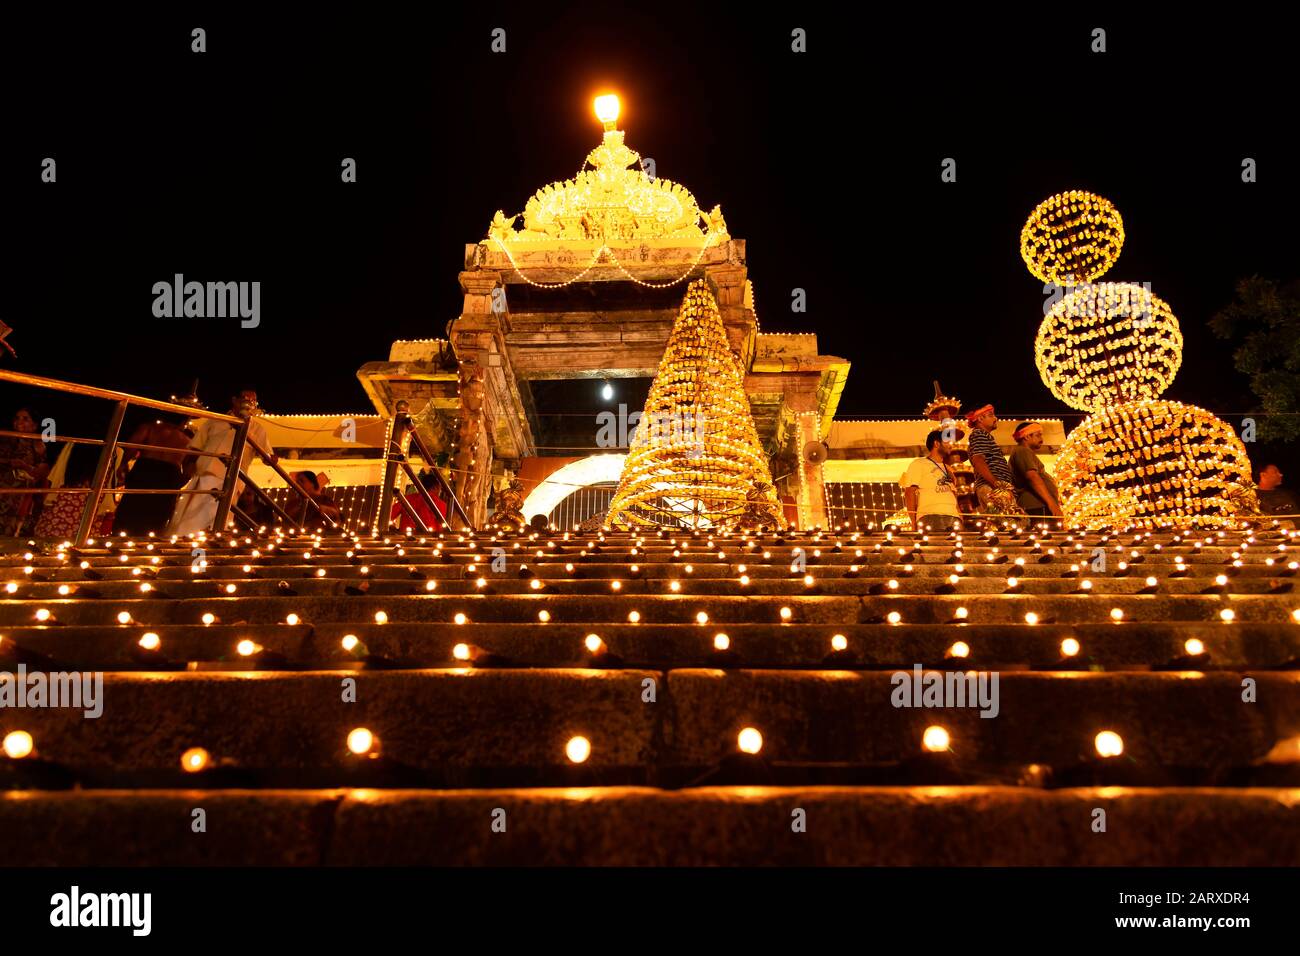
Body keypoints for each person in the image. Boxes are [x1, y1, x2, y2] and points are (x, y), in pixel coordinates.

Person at [167, 388, 276, 535]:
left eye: (252, 401)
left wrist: (271, 459)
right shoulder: (215, 420)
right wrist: (186, 471)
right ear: (234, 400)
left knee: (218, 520)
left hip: (231, 481)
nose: (248, 403)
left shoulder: (257, 429)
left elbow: (267, 457)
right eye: (244, 398)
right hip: (203, 476)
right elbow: (196, 449)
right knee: (189, 519)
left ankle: (207, 551)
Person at [113, 411, 193, 535]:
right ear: (184, 421)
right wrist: (180, 482)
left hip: (146, 468)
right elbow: (189, 468)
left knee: (131, 506)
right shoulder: (187, 440)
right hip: (170, 474)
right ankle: (148, 541)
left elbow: (131, 446)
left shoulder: (150, 428)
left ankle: (120, 537)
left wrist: (123, 464)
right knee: (159, 512)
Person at [33, 444, 112, 539]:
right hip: (84, 507)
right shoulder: (108, 457)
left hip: (64, 506)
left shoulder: (71, 449)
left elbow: (55, 479)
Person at [965, 403, 1024, 516]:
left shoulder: (984, 436)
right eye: (991, 415)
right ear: (980, 418)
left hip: (996, 488)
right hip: (993, 489)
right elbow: (978, 461)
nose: (995, 418)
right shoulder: (979, 434)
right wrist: (995, 483)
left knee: (1005, 523)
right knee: (1007, 522)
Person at [0, 406, 51, 535]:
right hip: (3, 486)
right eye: (17, 418)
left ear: (34, 425)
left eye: (25, 419)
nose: (20, 422)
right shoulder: (5, 438)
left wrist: (24, 466)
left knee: (12, 525)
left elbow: (43, 471)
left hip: (21, 492)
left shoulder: (38, 444)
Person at [901, 428, 963, 532]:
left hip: (954, 517)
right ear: (936, 444)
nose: (950, 445)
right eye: (947, 442)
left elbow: (954, 496)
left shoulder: (948, 469)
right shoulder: (919, 463)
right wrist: (913, 523)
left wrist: (960, 518)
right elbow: (909, 492)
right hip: (931, 516)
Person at [1009, 421, 1063, 520]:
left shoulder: (1025, 452)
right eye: (1038, 436)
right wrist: (1051, 504)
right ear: (1026, 437)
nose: (1041, 440)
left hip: (1040, 506)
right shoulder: (1022, 451)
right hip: (1037, 506)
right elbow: (1032, 477)